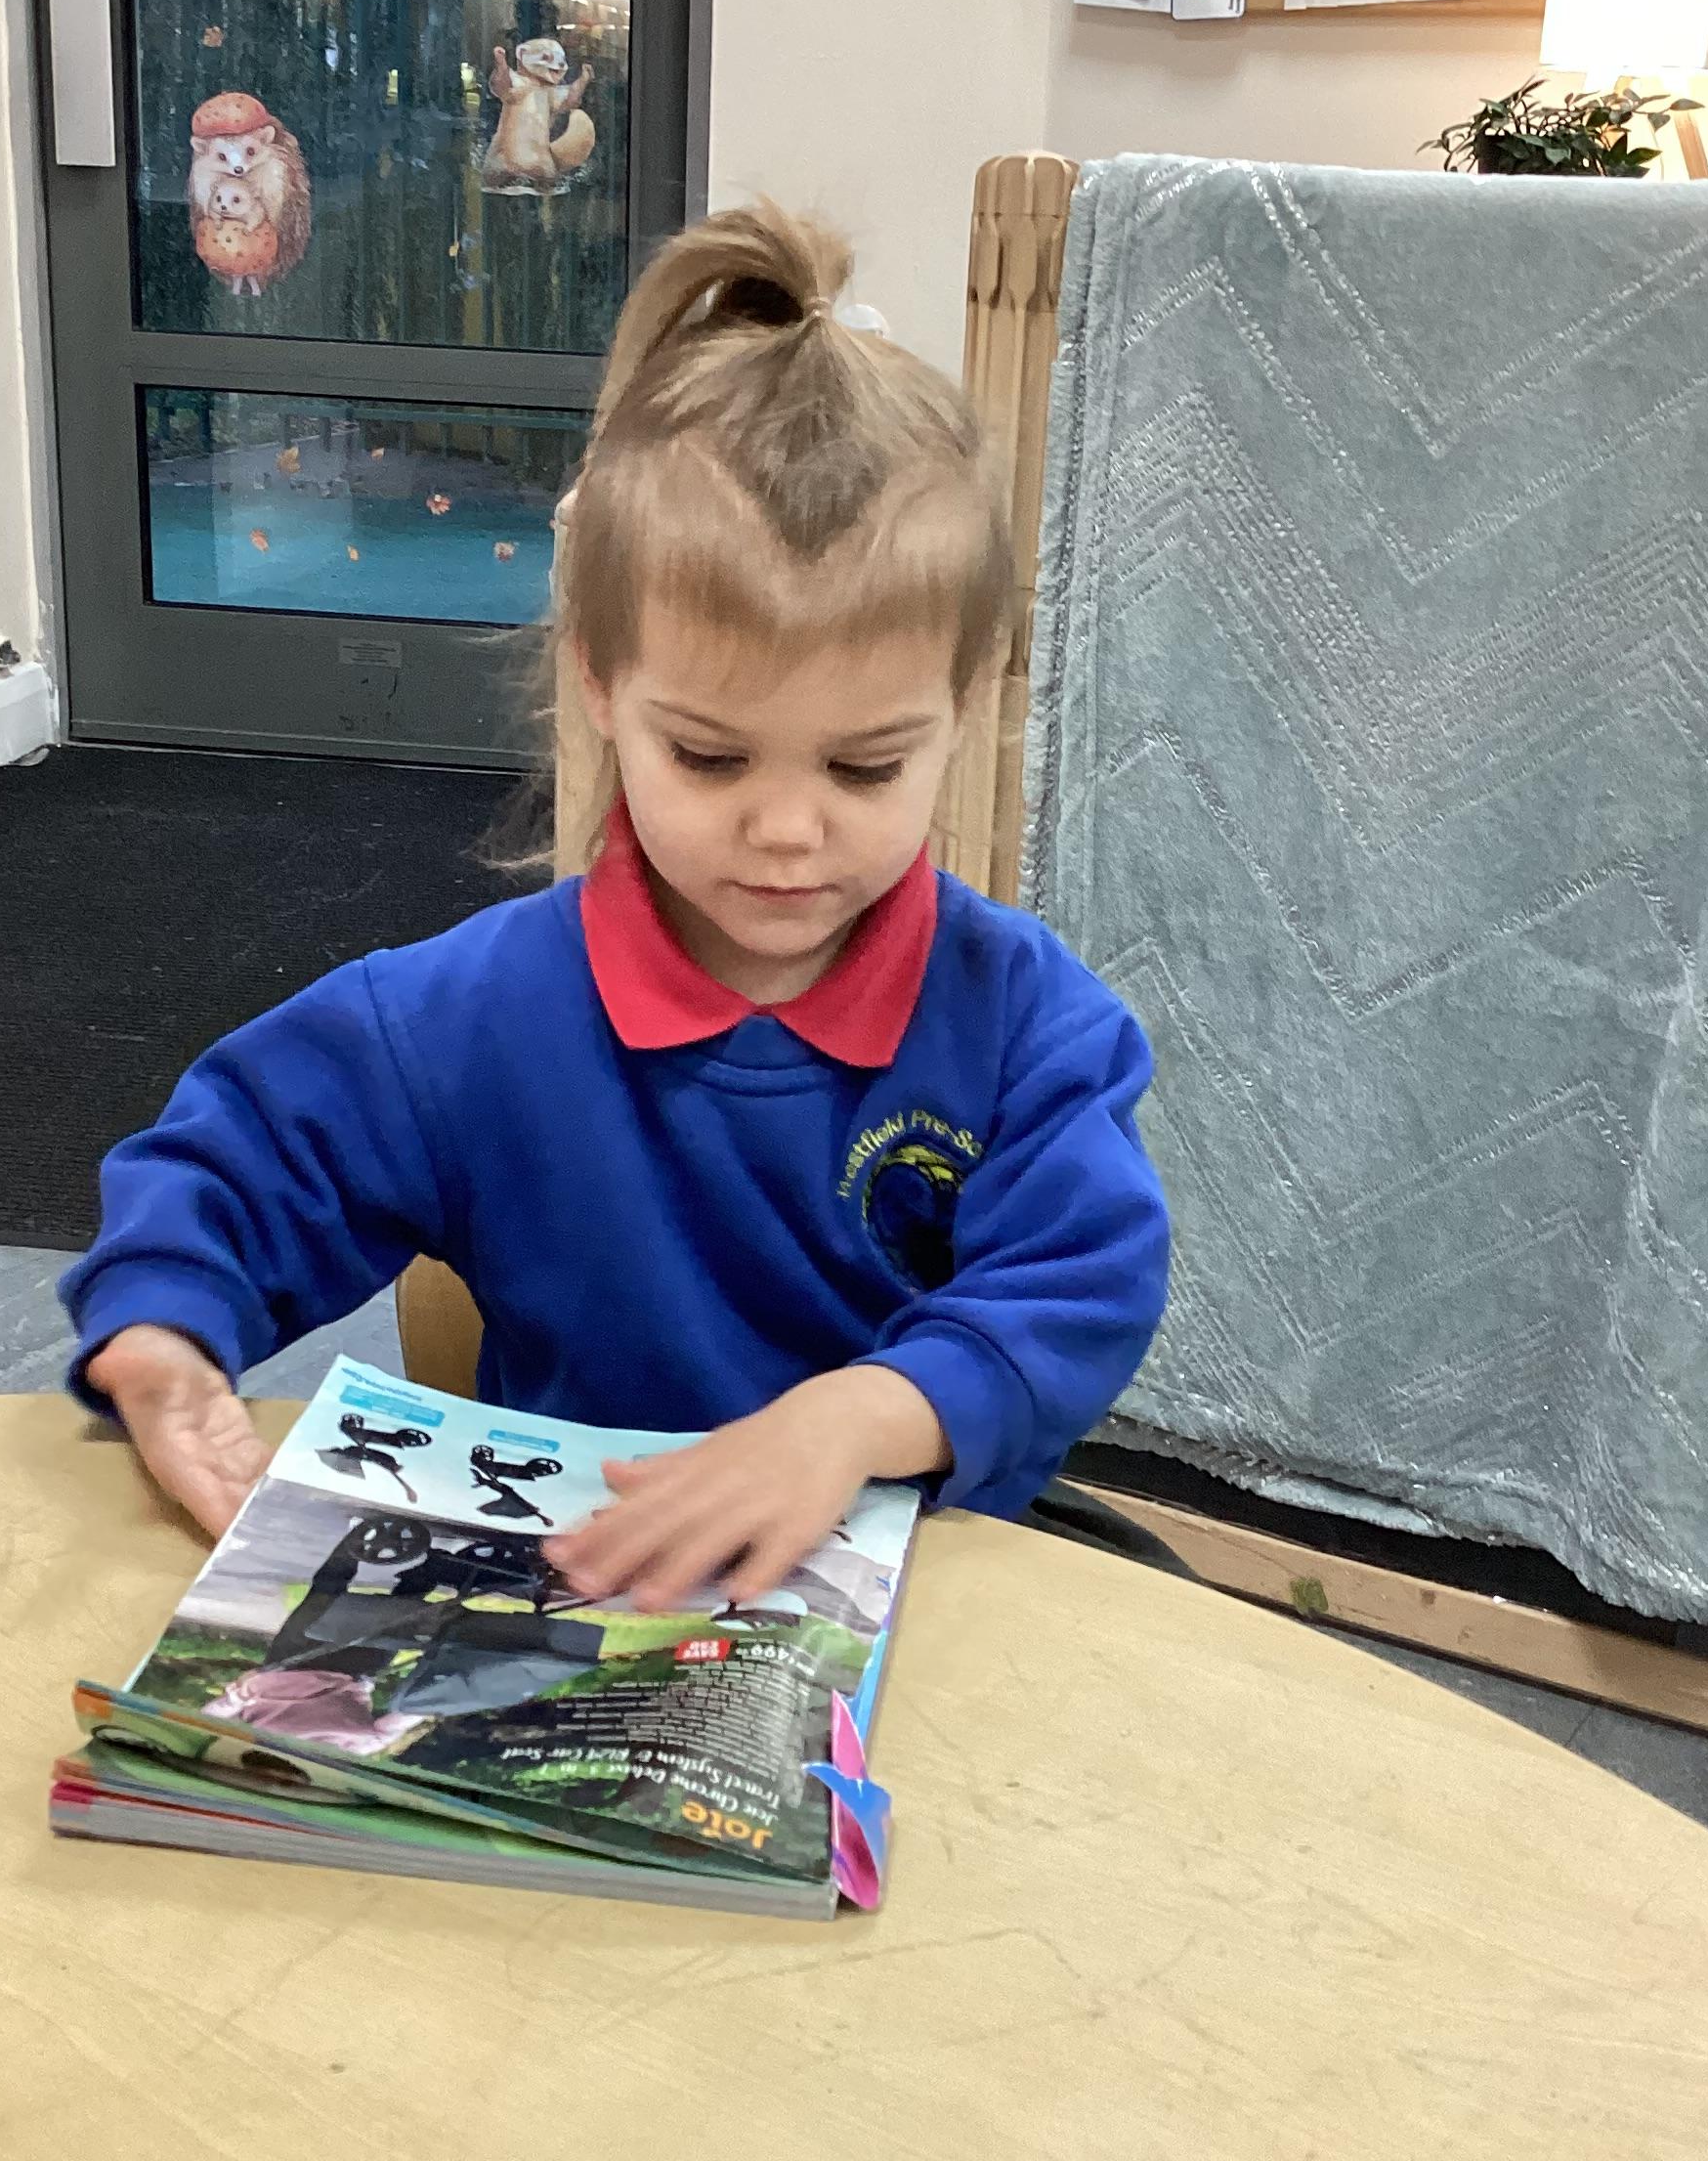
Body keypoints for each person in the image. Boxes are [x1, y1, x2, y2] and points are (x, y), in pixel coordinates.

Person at [62, 198, 1172, 1610]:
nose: (787, 831)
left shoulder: (1028, 1026)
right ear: (599, 683)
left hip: (924, 1599)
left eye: (865, 766)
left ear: (960, 709)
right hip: (574, 1601)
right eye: (708, 756)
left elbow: (1080, 1287)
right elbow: (234, 1167)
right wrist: (164, 1339)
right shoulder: (472, 1016)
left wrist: (854, 1420)